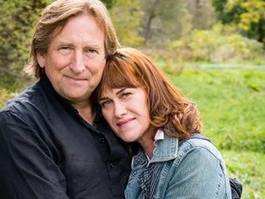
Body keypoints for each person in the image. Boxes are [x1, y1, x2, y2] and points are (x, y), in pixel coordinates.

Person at [0, 0, 131, 199]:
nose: (78, 66)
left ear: (106, 57)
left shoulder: (122, 111)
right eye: (65, 48)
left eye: (90, 51)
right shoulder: (20, 123)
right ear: (42, 54)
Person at [94, 47, 232, 198]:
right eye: (106, 102)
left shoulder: (196, 158)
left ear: (152, 91)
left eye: (126, 94)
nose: (118, 112)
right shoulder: (136, 158)